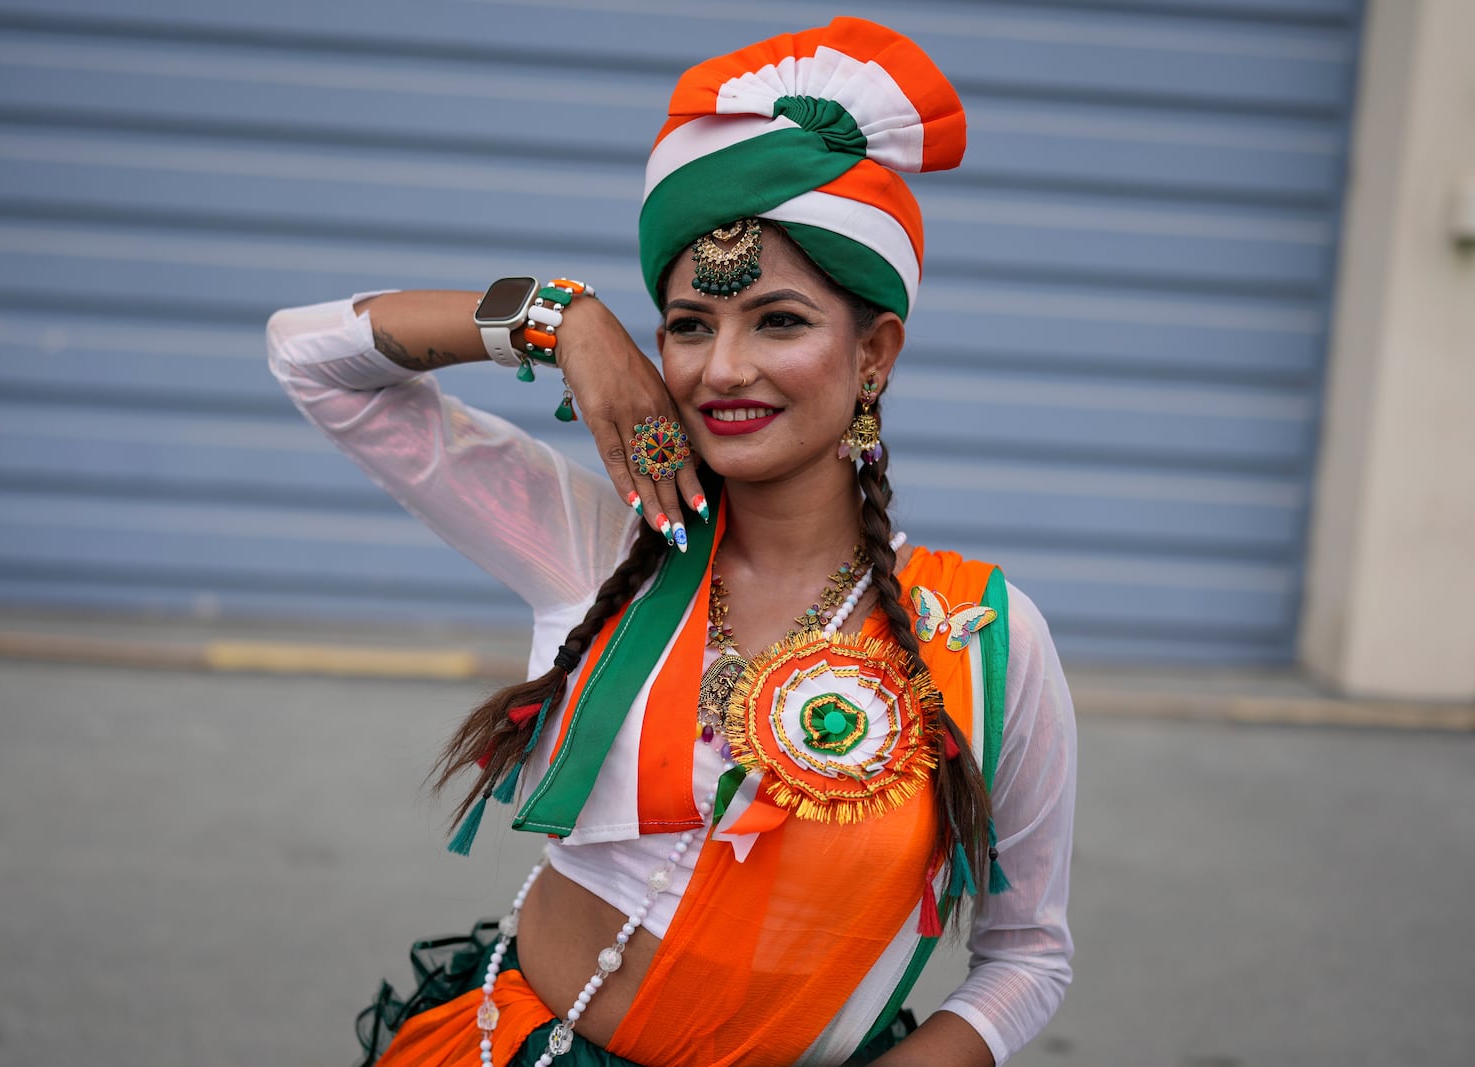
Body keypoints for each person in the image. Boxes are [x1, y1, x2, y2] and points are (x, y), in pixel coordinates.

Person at [267, 18, 1075, 1067]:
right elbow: (309, 357)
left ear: (873, 352)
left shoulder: (979, 636)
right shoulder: (605, 542)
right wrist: (557, 318)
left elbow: (1027, 955)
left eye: (778, 321)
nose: (721, 368)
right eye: (689, 324)